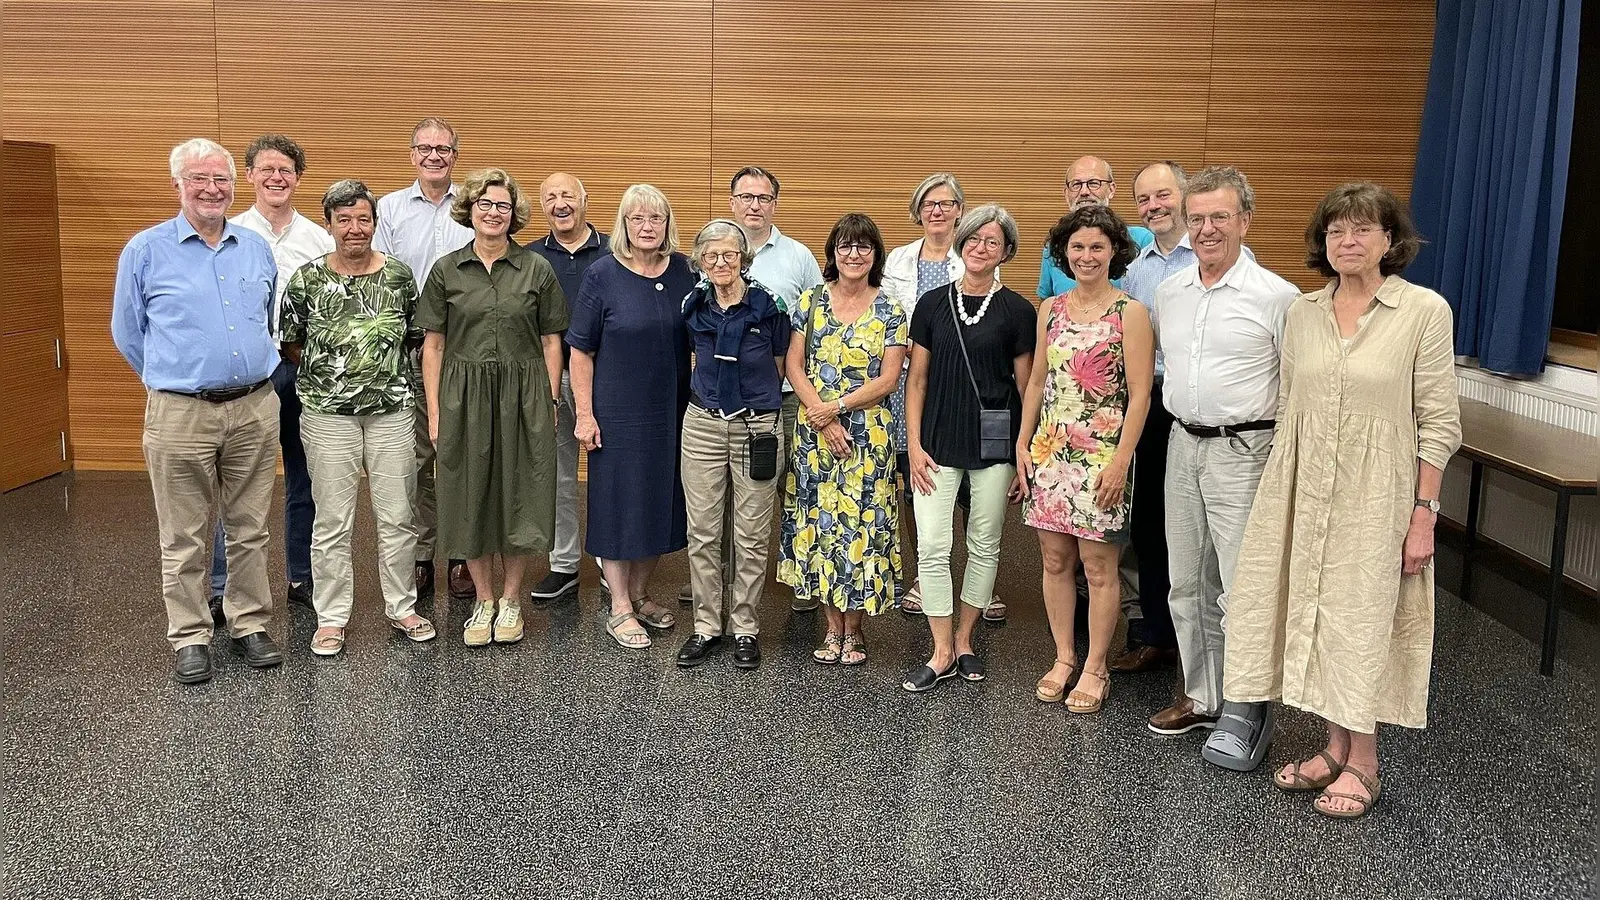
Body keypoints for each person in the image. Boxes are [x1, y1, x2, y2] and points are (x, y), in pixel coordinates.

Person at [1219, 182, 1460, 818]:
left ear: (1389, 240)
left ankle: (1365, 761)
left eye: (1361, 230)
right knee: (1318, 614)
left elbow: (1438, 423)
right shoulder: (1302, 312)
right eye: (1335, 232)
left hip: (1378, 495)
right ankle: (1332, 747)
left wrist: (1423, 515)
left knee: (1363, 620)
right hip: (1305, 486)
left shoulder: (1422, 312)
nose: (1347, 242)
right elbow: (1293, 403)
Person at [111, 138, 285, 683]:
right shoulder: (145, 251)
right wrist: (175, 382)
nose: (212, 189)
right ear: (177, 185)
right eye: (199, 179)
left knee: (249, 528)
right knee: (183, 534)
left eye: (222, 180)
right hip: (179, 413)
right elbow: (127, 333)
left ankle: (249, 623)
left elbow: (267, 318)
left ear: (235, 185)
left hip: (255, 407)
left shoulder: (255, 248)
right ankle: (190, 635)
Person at [1146, 166, 1298, 754]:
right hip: (1182, 444)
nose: (1207, 229)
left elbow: (1293, 386)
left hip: (1246, 450)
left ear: (1244, 222)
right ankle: (1204, 693)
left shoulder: (1277, 297)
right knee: (1186, 580)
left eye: (1220, 217)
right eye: (1198, 218)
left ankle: (1246, 701)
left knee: (1241, 583)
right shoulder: (1171, 292)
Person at [279, 179, 436, 655]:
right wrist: (337, 376)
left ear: (374, 224)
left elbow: (414, 337)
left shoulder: (399, 277)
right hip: (329, 417)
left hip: (391, 413)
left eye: (363, 219)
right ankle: (330, 617)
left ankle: (402, 606)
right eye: (343, 219)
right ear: (328, 225)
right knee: (332, 520)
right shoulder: (307, 279)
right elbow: (290, 344)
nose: (354, 228)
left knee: (397, 515)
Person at [1116, 161, 1258, 676]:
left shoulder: (1246, 274)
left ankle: (1230, 668)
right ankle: (1159, 635)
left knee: (1222, 546)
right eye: (1144, 199)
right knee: (1151, 527)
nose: (1154, 206)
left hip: (1226, 426)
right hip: (1154, 407)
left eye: (1163, 195)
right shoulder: (1138, 269)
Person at [418, 168, 568, 647]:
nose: (493, 213)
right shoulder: (446, 270)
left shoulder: (536, 269)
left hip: (524, 395)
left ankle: (511, 600)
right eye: (484, 204)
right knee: (469, 494)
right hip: (463, 396)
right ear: (469, 210)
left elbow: (551, 340)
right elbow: (434, 346)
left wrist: (548, 398)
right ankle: (482, 599)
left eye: (502, 206)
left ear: (513, 214)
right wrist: (437, 411)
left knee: (521, 491)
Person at [1016, 205, 1154, 714]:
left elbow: (1139, 395)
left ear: (1114, 251)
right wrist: (1022, 442)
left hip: (1102, 457)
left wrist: (1121, 463)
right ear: (1063, 253)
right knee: (1054, 560)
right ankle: (1064, 656)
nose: (1087, 256)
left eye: (1097, 246)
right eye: (1077, 247)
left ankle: (1096, 666)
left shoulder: (1130, 313)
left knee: (1099, 568)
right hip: (1050, 452)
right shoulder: (1049, 310)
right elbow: (1036, 382)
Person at [902, 204, 1036, 693]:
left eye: (993, 242)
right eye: (974, 239)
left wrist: (1024, 452)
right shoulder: (933, 303)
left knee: (985, 544)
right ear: (961, 243)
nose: (981, 248)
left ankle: (964, 639)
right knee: (934, 547)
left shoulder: (1019, 311)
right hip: (936, 441)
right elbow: (915, 381)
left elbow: (1027, 389)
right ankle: (939, 649)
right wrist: (913, 445)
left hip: (996, 444)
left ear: (1006, 252)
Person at [206, 134, 333, 625]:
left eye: (286, 170)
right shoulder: (230, 233)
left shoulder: (319, 240)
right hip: (252, 374)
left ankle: (302, 575)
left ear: (298, 178)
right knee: (237, 485)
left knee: (306, 478)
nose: (276, 178)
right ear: (251, 176)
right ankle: (225, 585)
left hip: (304, 369)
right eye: (266, 169)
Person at [568, 184, 696, 650]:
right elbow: (580, 350)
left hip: (674, 410)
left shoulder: (685, 271)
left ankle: (640, 595)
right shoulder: (602, 274)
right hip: (617, 411)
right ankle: (618, 604)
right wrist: (585, 414)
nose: (647, 227)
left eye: (656, 219)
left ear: (667, 224)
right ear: (624, 224)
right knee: (620, 503)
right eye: (637, 218)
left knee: (661, 501)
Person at [781, 213, 908, 667]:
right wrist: (822, 415)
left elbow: (890, 378)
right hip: (814, 433)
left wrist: (836, 409)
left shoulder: (891, 309)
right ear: (833, 253)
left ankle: (854, 632)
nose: (854, 254)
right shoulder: (810, 301)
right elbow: (794, 365)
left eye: (863, 247)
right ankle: (831, 629)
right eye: (845, 246)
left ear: (875, 255)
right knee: (822, 528)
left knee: (861, 528)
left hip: (868, 435)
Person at [704, 165, 824, 613]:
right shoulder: (711, 248)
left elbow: (818, 321)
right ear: (732, 201)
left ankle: (802, 579)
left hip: (787, 400)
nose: (755, 205)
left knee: (789, 487)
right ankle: (718, 583)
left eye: (764, 198)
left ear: (775, 203)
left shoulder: (797, 257)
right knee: (723, 494)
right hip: (724, 404)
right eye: (746, 197)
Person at [676, 220, 793, 670]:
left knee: (751, 533)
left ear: (744, 259)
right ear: (701, 262)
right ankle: (707, 626)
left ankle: (744, 626)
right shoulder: (694, 305)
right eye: (711, 256)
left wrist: (756, 407)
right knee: (703, 531)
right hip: (703, 424)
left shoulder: (770, 307)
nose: (721, 263)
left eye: (729, 255)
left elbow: (781, 365)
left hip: (756, 429)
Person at [372, 117, 475, 603]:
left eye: (444, 149)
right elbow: (385, 276)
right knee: (417, 460)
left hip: (466, 349)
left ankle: (461, 555)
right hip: (411, 349)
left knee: (459, 457)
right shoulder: (388, 208)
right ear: (412, 154)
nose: (435, 156)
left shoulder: (473, 205)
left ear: (455, 156)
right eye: (425, 148)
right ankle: (420, 555)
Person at [525, 172, 612, 602]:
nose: (560, 203)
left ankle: (610, 560)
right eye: (550, 197)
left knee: (609, 471)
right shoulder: (530, 258)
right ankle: (563, 564)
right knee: (557, 473)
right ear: (542, 207)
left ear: (585, 200)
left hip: (610, 380)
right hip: (552, 377)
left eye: (568, 195)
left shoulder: (617, 250)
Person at [1036, 156, 1155, 299]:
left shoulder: (1142, 240)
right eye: (1076, 184)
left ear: (1111, 189)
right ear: (1066, 193)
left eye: (1093, 183)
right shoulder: (1054, 245)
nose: (1084, 191)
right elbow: (1046, 300)